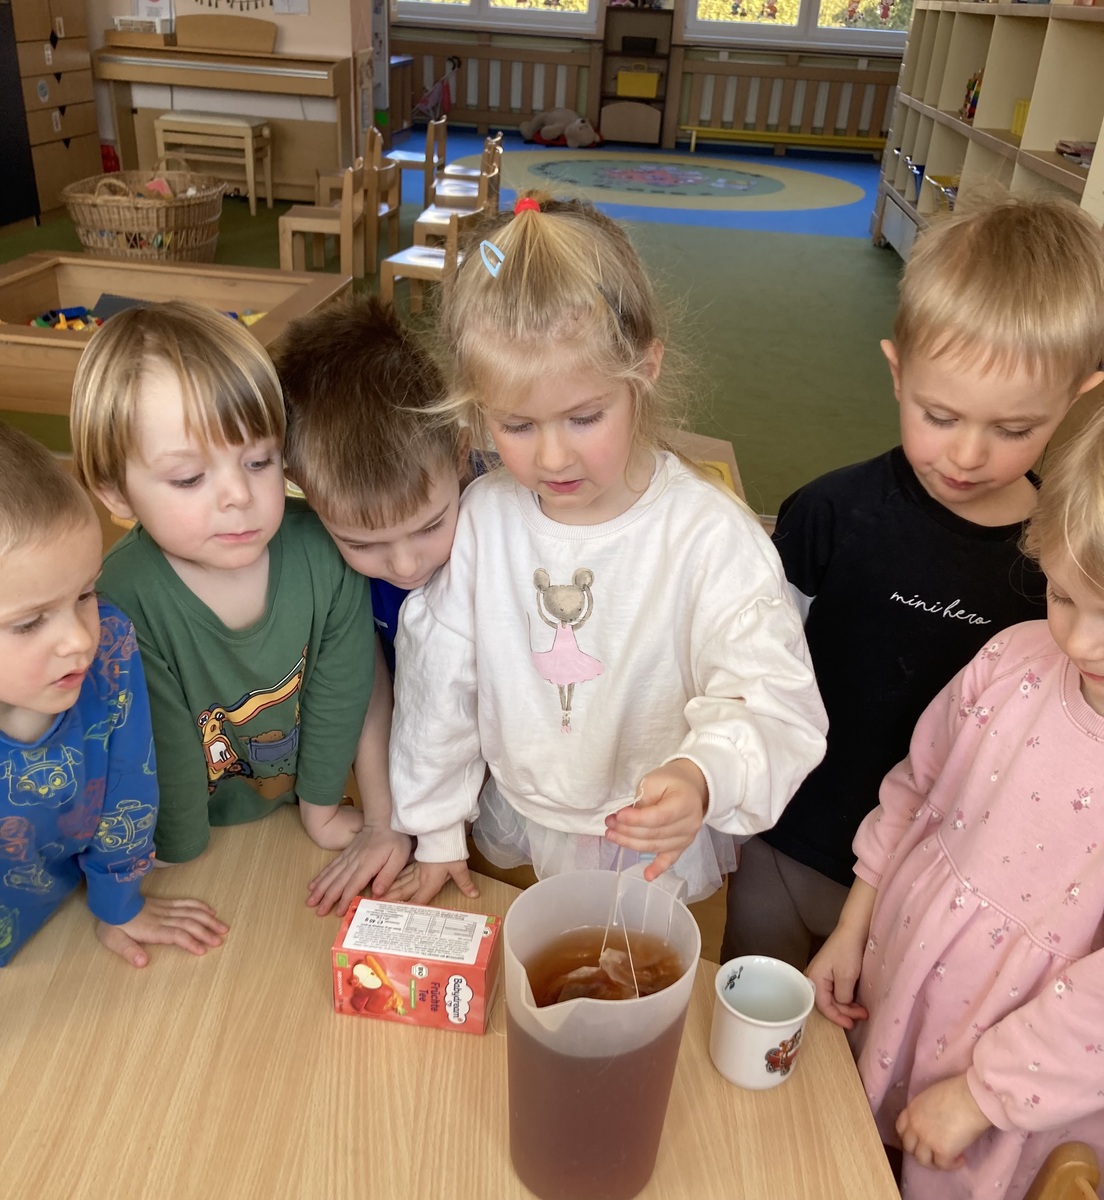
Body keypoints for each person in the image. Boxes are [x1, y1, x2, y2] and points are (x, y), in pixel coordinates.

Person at [385, 195, 829, 907]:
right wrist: (436, 828)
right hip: (518, 815)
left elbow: (772, 698)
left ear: (645, 370)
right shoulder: (485, 520)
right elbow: (441, 680)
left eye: (585, 417)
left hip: (651, 840)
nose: (552, 457)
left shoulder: (709, 537)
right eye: (516, 425)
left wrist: (704, 774)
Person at [722, 193, 1104, 969]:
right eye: (940, 415)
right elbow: (749, 674)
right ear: (899, 374)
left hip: (932, 894)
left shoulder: (1062, 569)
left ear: (1078, 397)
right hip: (781, 842)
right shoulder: (828, 513)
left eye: (1013, 429)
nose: (966, 455)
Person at [806, 407, 1104, 1200]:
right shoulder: (1011, 658)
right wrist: (851, 928)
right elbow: (915, 791)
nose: (1080, 643)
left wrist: (982, 1095)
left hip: (1009, 1091)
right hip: (894, 1001)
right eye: (1064, 596)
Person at [69, 300, 377, 886]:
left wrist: (319, 808)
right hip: (178, 841)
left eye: (259, 461)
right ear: (116, 494)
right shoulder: (121, 597)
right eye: (189, 478)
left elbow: (343, 690)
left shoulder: (324, 552)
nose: (238, 494)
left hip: (296, 817)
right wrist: (179, 852)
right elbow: (159, 743)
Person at [0, 421, 226, 967]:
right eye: (29, 623)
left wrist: (117, 903)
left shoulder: (112, 645)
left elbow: (128, 788)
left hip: (62, 931)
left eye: (85, 593)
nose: (81, 639)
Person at [276, 293, 472, 914]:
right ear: (300, 490)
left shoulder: (495, 537)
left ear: (462, 453)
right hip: (396, 766)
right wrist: (384, 820)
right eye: (363, 543)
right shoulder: (321, 565)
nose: (406, 565)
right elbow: (366, 684)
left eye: (429, 525)